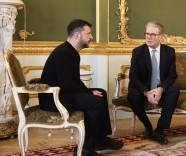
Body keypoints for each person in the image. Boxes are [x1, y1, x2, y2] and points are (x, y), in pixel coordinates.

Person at [39, 19, 123, 156]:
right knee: (95, 101)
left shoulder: (71, 52)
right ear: (77, 35)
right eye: (88, 34)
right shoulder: (63, 53)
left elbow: (73, 81)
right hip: (53, 99)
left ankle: (100, 139)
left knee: (101, 93)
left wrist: (89, 91)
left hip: (63, 93)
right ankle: (84, 148)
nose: (91, 37)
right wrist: (88, 93)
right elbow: (66, 83)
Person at [127, 21, 180, 145]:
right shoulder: (137, 52)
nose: (149, 37)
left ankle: (159, 130)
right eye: (147, 34)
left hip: (160, 87)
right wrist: (146, 92)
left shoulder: (169, 51)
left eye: (153, 34)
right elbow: (133, 76)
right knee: (132, 95)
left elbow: (172, 75)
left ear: (161, 36)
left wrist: (161, 89)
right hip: (142, 88)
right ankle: (148, 126)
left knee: (174, 91)